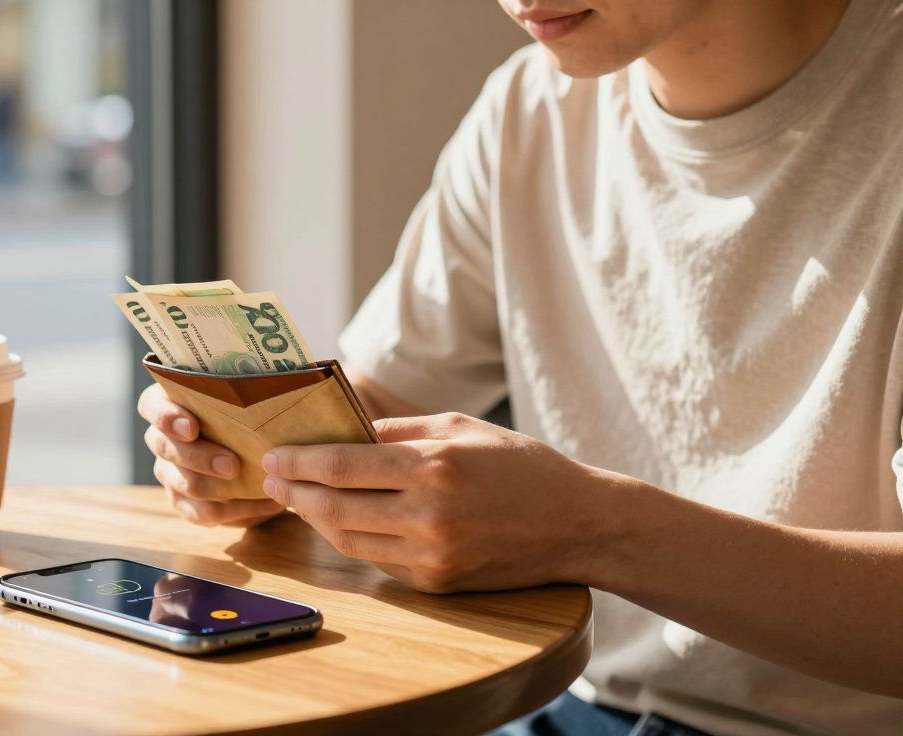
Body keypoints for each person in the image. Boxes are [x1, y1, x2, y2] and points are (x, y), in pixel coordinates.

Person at [137, 1, 903, 734]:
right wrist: (251, 453)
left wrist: (594, 531)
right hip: (572, 703)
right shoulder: (530, 108)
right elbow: (374, 399)